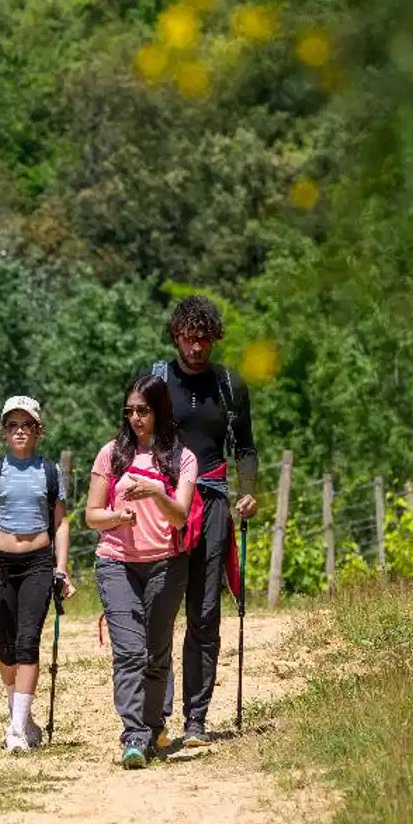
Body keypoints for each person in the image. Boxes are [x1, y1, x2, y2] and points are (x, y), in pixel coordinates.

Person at [152, 296, 259, 747]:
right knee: (157, 607)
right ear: (176, 337)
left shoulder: (230, 384)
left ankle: (196, 719)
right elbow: (133, 437)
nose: (197, 348)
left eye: (205, 340)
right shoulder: (156, 381)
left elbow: (246, 447)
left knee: (205, 610)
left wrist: (249, 488)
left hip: (213, 502)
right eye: (189, 338)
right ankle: (156, 715)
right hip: (164, 504)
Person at [85, 374, 197, 769]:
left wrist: (156, 493)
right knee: (129, 653)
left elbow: (181, 517)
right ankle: (133, 735)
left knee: (156, 652)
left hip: (166, 562)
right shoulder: (111, 454)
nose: (135, 418)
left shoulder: (181, 458)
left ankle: (152, 727)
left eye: (143, 410)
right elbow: (91, 515)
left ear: (159, 411)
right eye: (129, 410)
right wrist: (117, 516)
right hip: (116, 562)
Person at [0, 396, 74, 752]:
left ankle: (16, 730)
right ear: (4, 432)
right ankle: (21, 714)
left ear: (37, 431)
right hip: (3, 561)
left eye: (27, 425)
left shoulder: (49, 472)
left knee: (28, 642)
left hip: (37, 563)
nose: (20, 431)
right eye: (13, 425)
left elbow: (60, 522)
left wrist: (61, 569)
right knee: (6, 649)